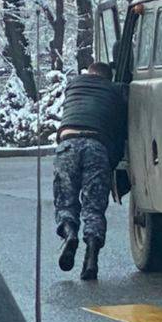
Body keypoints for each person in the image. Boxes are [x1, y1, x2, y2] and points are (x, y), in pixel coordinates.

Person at [54, 62, 127, 281]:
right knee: (94, 206)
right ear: (108, 77)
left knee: (65, 201)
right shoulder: (115, 91)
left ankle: (69, 233)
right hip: (97, 145)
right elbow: (120, 128)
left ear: (89, 73)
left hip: (67, 143)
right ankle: (91, 258)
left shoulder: (74, 85)